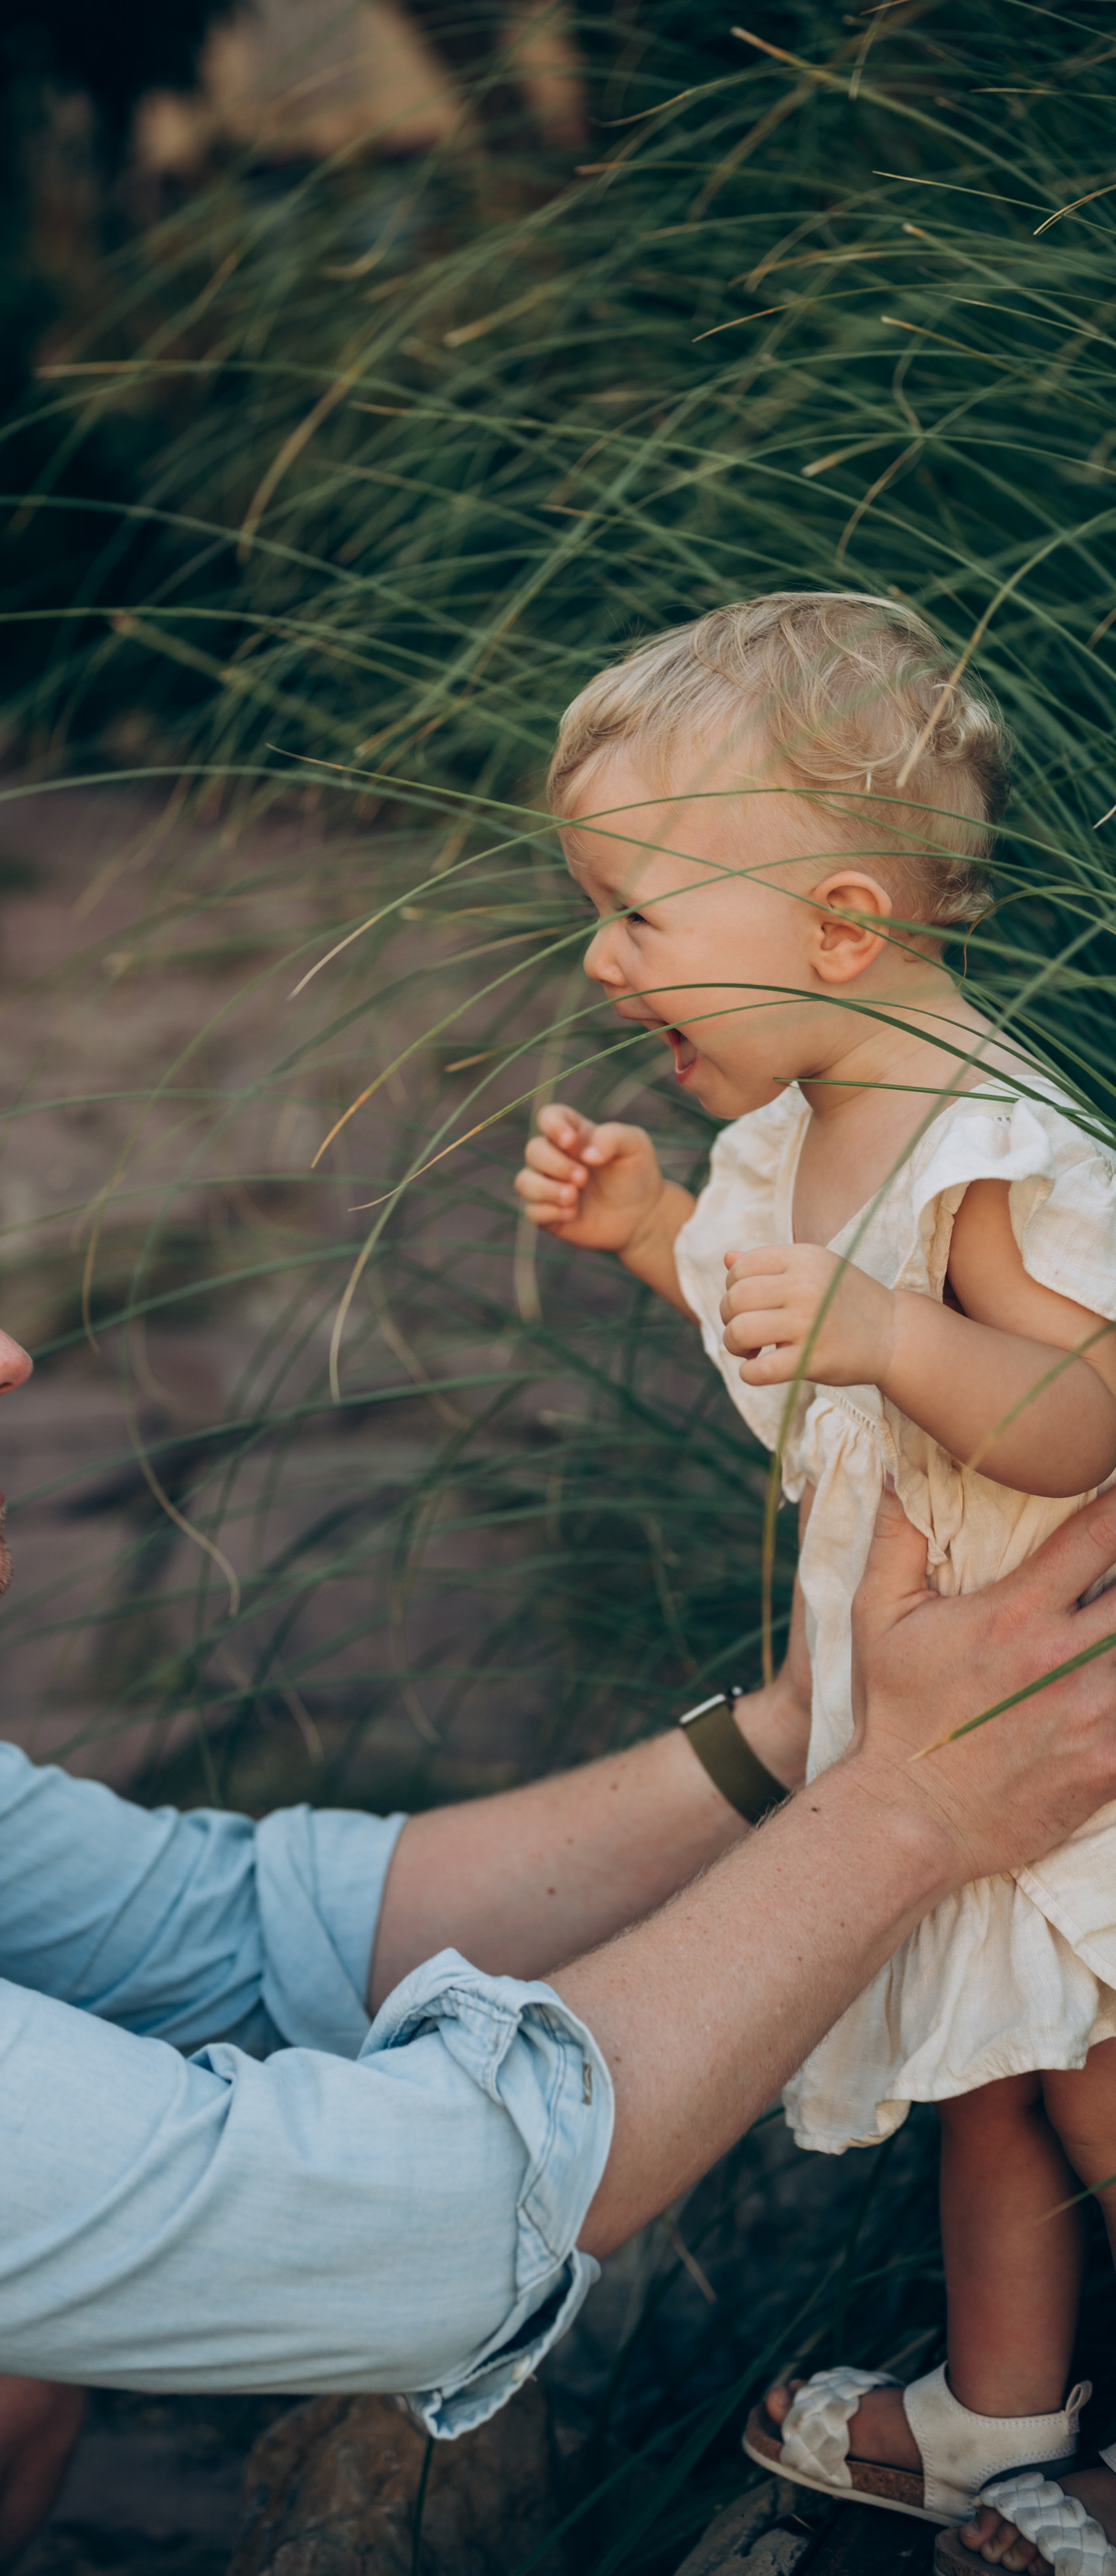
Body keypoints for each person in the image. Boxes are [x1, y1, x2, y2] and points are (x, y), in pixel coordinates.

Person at [0, 1041, 1116, 2576]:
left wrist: (806, 1729)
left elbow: (253, 1930)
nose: (4, 1353)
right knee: (35, 2287)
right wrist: (904, 1815)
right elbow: (381, 2236)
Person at [516, 590, 1116, 2575]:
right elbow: (784, 1342)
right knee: (990, 2081)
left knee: (1102, 2084)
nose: (606, 964)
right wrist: (654, 1232)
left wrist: (901, 1341)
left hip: (1067, 1728)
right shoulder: (801, 1137)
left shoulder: (986, 1154)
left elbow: (1081, 1409)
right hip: (946, 1736)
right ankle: (998, 2416)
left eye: (639, 914)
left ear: (842, 929)